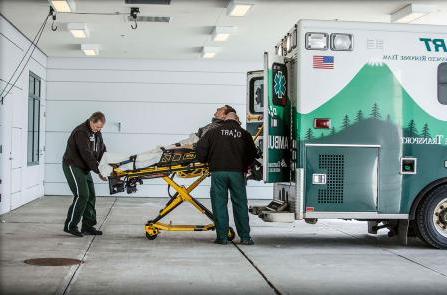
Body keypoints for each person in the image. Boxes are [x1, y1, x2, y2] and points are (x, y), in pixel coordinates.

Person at [98, 105, 237, 177]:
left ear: (226, 115)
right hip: (186, 146)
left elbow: (203, 145)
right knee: (152, 154)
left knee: (153, 158)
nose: (217, 109)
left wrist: (185, 147)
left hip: (189, 150)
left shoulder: (219, 128)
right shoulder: (216, 126)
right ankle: (114, 164)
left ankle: (116, 167)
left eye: (221, 109)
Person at [196, 112, 258, 245]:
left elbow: (200, 150)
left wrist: (207, 160)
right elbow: (253, 154)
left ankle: (222, 237)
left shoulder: (213, 132)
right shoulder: (245, 134)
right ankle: (245, 237)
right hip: (237, 173)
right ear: (237, 120)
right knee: (240, 204)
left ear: (224, 119)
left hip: (218, 172)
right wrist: (244, 165)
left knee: (219, 204)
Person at [63, 112, 108, 237]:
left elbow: (102, 151)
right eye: (97, 127)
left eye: (101, 127)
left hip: (85, 168)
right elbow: (86, 154)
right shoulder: (81, 132)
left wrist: (106, 166)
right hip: (73, 165)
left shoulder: (97, 133)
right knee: (82, 195)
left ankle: (87, 226)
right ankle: (70, 225)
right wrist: (99, 171)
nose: (99, 129)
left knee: (91, 195)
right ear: (91, 121)